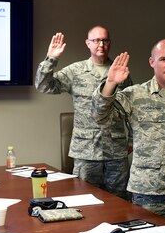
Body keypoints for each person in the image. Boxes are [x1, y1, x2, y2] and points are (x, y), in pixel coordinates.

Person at [93, 40, 165, 220]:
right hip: (148, 189)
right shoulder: (135, 94)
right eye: (163, 59)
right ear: (152, 62)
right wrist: (110, 83)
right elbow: (99, 115)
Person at [35, 26, 132, 198]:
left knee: (120, 202)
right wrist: (51, 58)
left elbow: (131, 109)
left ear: (110, 43)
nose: (101, 44)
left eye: (105, 40)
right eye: (96, 40)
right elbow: (43, 85)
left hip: (115, 151)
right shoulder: (76, 71)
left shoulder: (119, 72)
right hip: (86, 151)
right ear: (88, 43)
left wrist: (132, 140)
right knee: (85, 198)